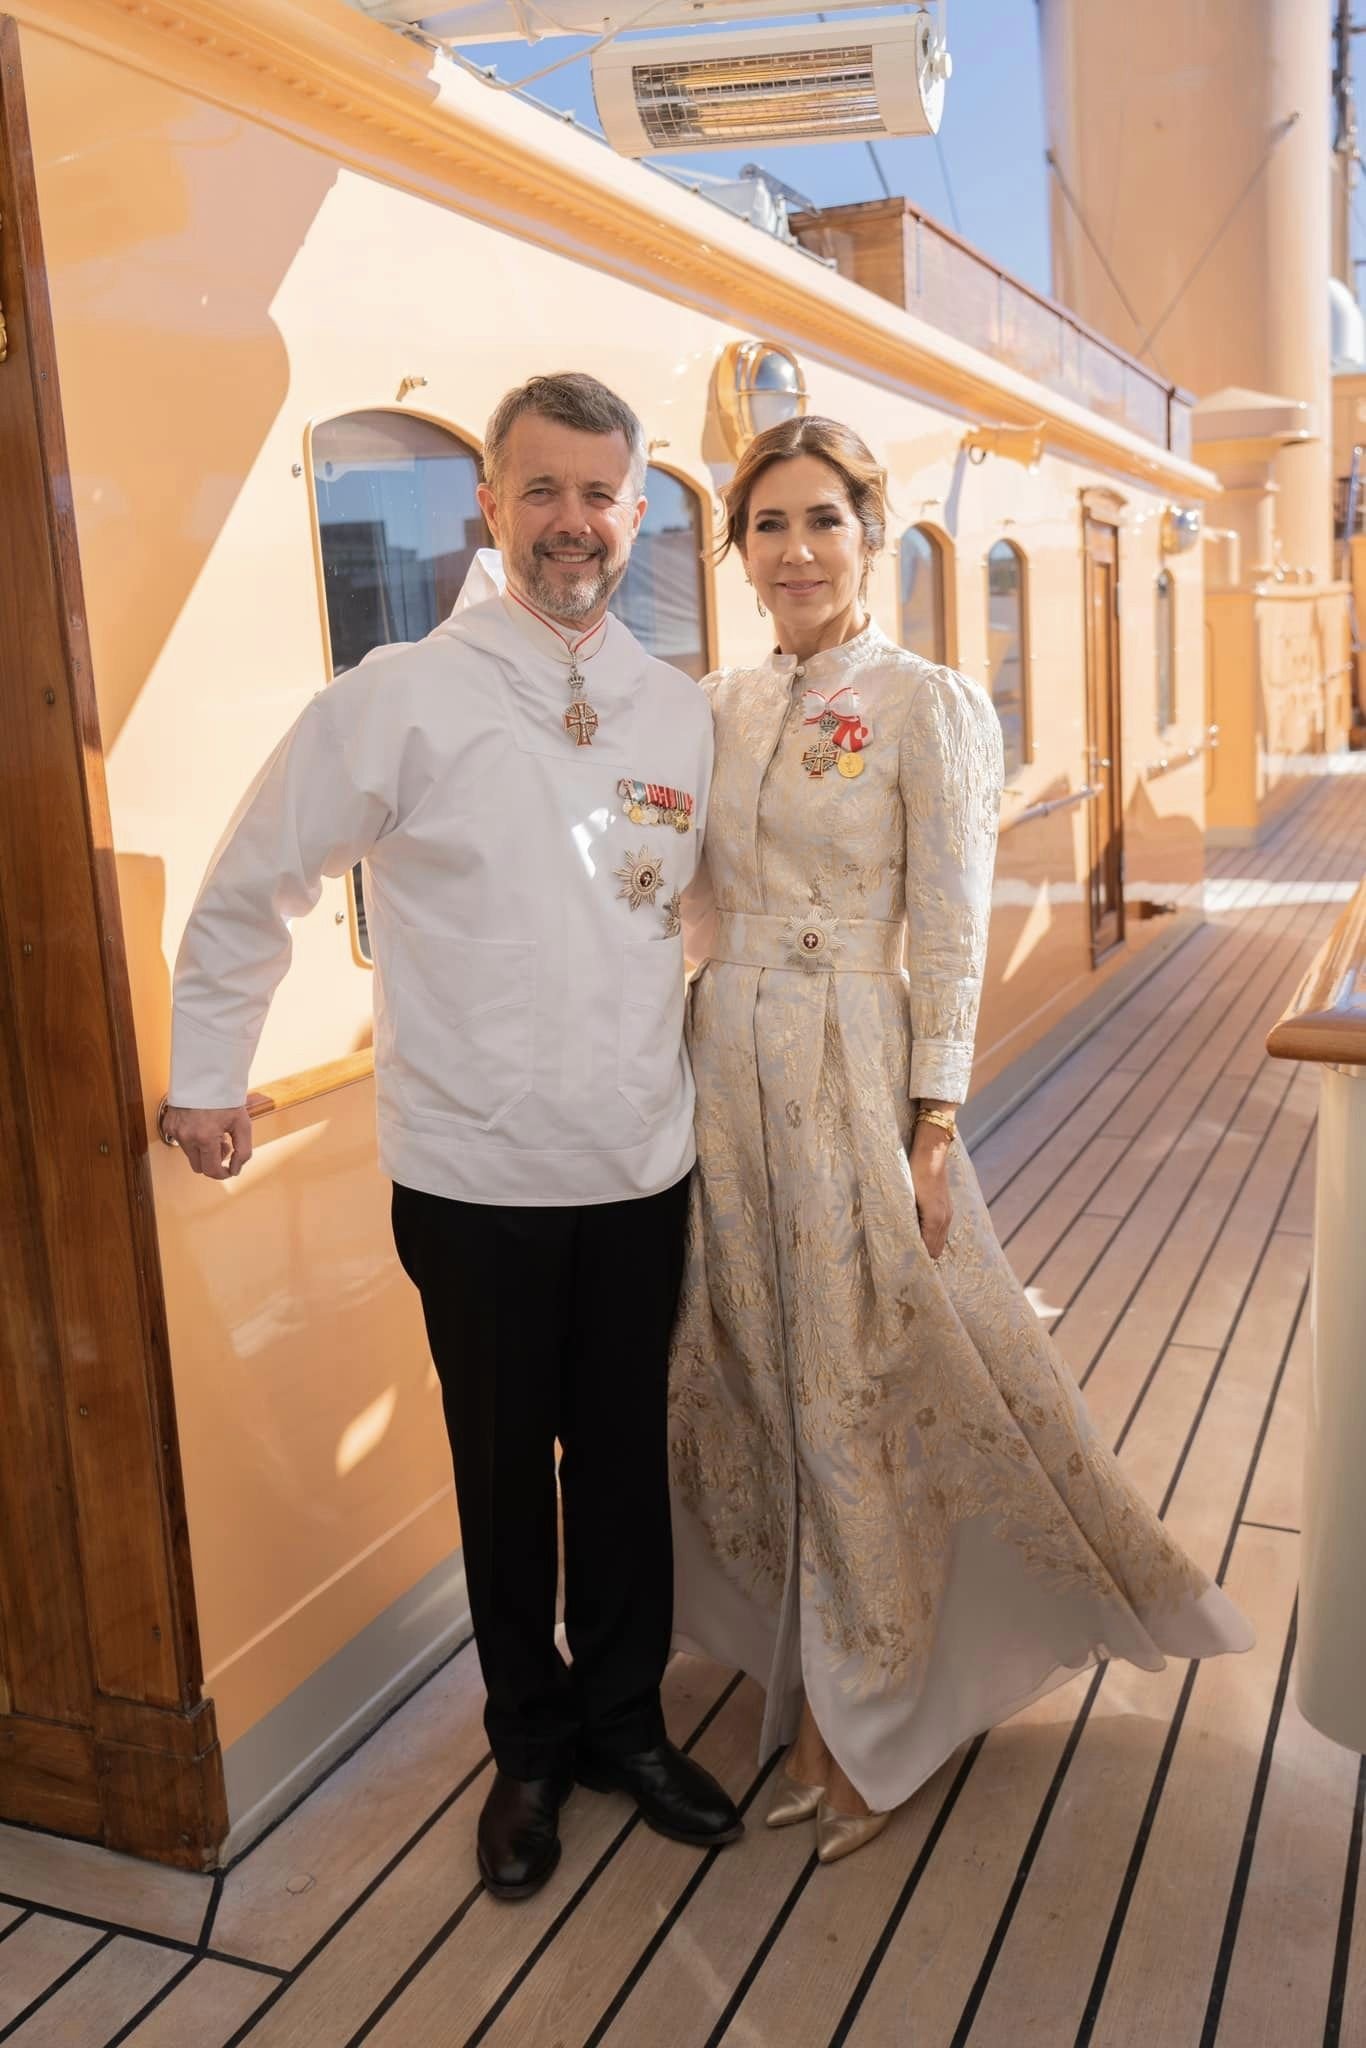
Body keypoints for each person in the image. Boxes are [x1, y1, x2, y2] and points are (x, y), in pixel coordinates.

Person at [162, 372, 742, 1902]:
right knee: (500, 1477)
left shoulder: (676, 708)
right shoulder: (397, 696)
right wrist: (210, 1074)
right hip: (472, 1174)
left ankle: (625, 1724)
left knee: (620, 1464)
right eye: (541, 489)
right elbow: (252, 885)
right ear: (490, 505)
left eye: (599, 493)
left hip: (639, 1162)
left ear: (635, 513)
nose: (571, 521)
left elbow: (697, 911)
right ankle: (529, 1747)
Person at [669, 416, 1253, 1864]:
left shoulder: (927, 703)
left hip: (848, 1068)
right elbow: (671, 884)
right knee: (756, 1373)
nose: (795, 550)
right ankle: (805, 1667)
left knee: (858, 1386)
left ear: (870, 536)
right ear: (737, 552)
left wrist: (934, 1125)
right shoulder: (716, 704)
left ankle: (873, 1713)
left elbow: (947, 928)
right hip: (718, 1069)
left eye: (822, 519)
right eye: (766, 525)